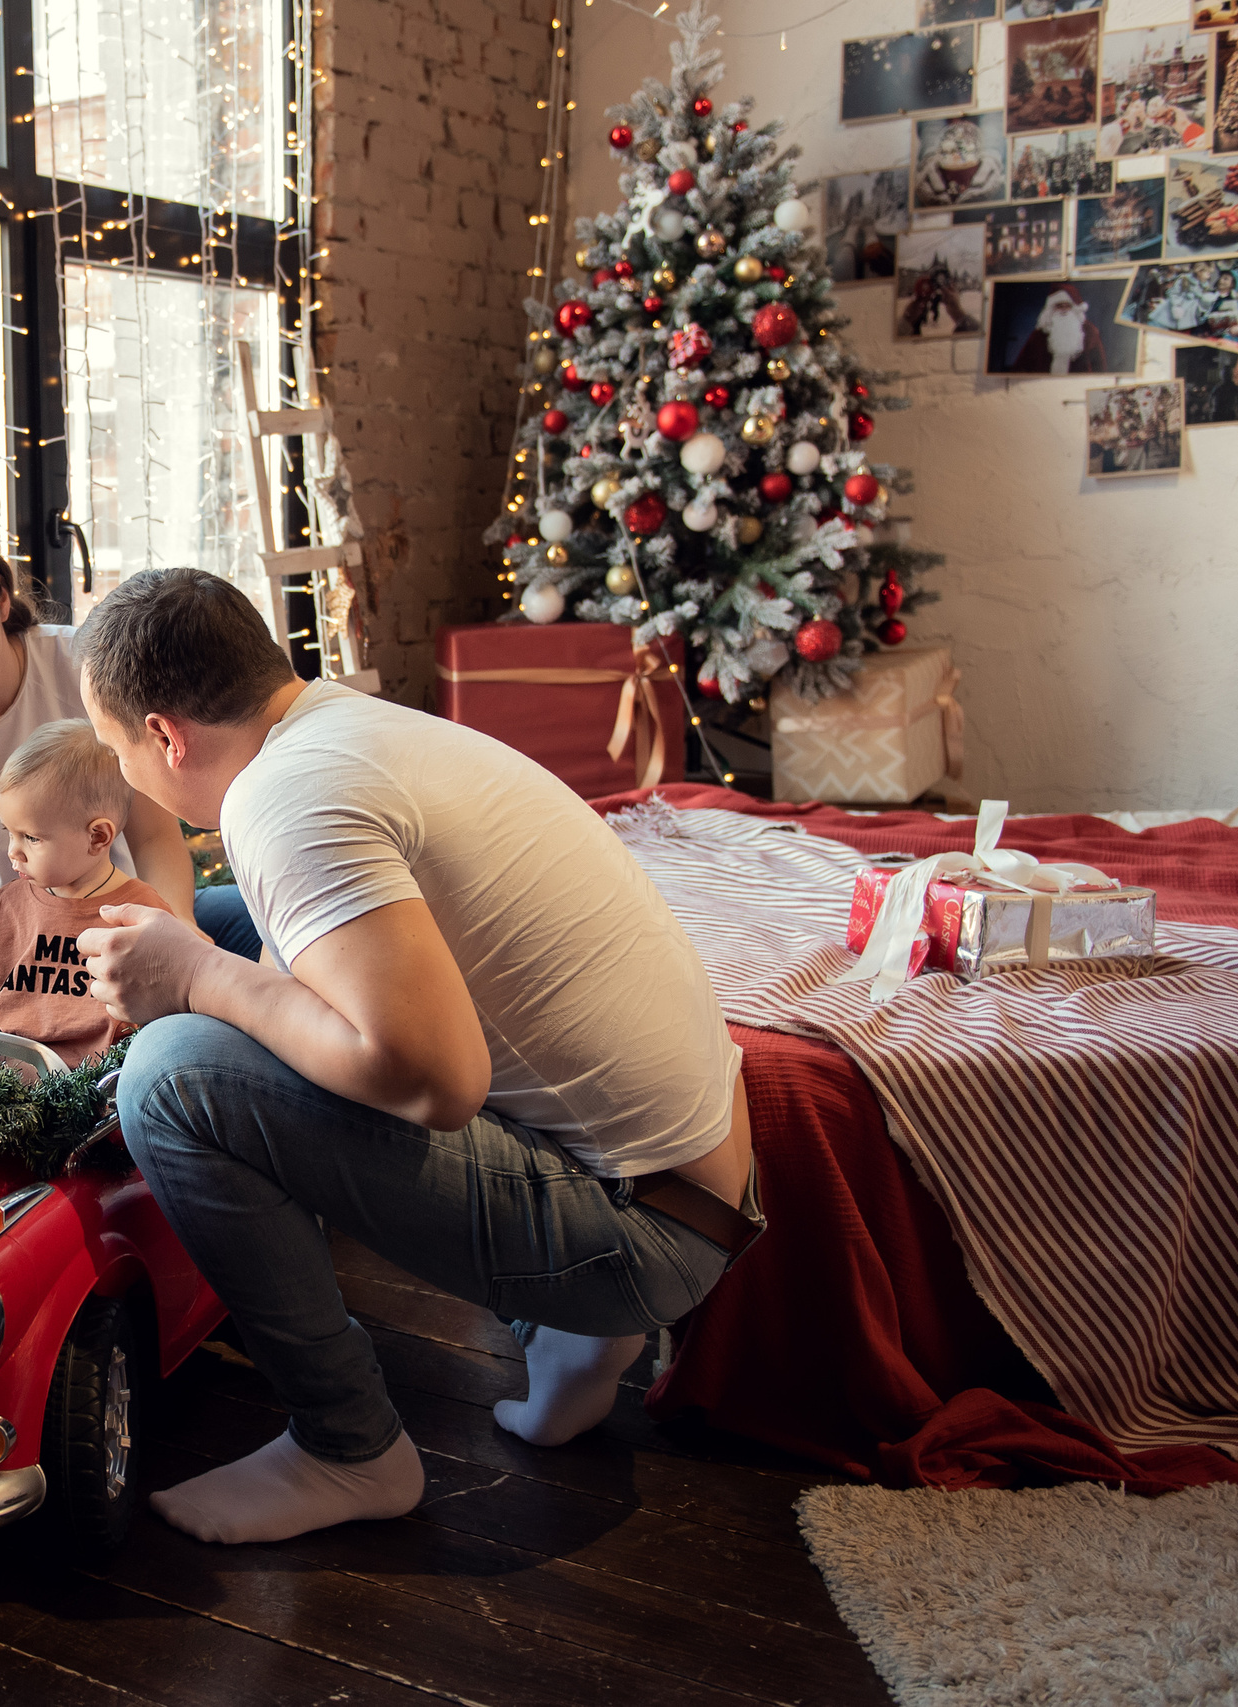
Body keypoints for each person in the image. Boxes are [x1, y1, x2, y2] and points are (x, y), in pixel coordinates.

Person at [72, 569, 760, 1547]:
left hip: (642, 1235)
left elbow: (432, 1080)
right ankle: (573, 1338)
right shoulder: (342, 724)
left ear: (164, 736)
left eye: (111, 747)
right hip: (701, 1185)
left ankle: (347, 1448)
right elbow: (294, 973)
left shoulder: (285, 800)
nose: (120, 769)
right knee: (219, 928)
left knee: (172, 1075)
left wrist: (192, 984)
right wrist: (196, 962)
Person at [0, 509, 259, 982]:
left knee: (267, 918)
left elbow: (153, 836)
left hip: (118, 923)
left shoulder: (85, 668)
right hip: (3, 960)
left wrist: (174, 927)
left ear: (1, 596)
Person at [0, 720, 171, 1067]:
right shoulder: (1, 911)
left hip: (97, 1088)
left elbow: (162, 1023)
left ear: (97, 837)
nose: (12, 852)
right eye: (10, 832)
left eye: (31, 838)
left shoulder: (140, 916)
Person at [1007, 284, 1109, 373]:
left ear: (1074, 308)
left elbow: (1100, 366)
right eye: (1059, 306)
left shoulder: (1089, 331)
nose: (1063, 310)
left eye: (1067, 305)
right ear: (1051, 309)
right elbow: (1021, 367)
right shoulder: (1040, 334)